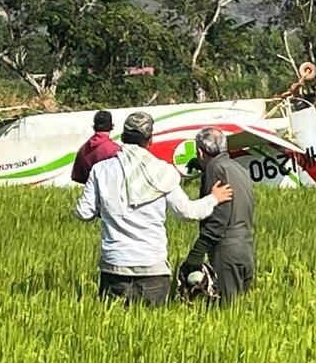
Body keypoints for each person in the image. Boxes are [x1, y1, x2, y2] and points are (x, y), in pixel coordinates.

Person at [74, 111, 232, 306]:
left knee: (114, 330)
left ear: (123, 137)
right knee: (151, 327)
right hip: (153, 267)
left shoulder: (101, 170)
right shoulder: (163, 171)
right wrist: (213, 199)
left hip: (115, 266)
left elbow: (83, 212)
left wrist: (107, 208)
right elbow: (187, 213)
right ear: (150, 140)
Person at [180, 127, 255, 304]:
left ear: (199, 151)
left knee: (224, 313)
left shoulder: (215, 170)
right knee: (236, 316)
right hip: (245, 249)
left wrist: (197, 253)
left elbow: (219, 218)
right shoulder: (238, 168)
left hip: (226, 251)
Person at [70, 109, 121, 185]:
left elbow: (77, 177)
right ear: (112, 126)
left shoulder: (83, 149)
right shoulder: (116, 150)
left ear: (94, 127)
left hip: (90, 194)